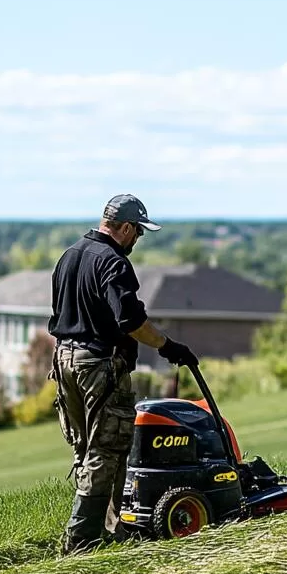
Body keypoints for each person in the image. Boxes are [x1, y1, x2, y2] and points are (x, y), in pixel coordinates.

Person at [48, 194, 199, 555]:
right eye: (139, 233)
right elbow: (130, 321)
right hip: (99, 366)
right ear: (126, 228)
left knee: (88, 449)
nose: (138, 240)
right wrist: (166, 345)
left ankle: (113, 530)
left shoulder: (69, 256)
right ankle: (81, 541)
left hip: (64, 361)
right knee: (107, 449)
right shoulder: (113, 263)